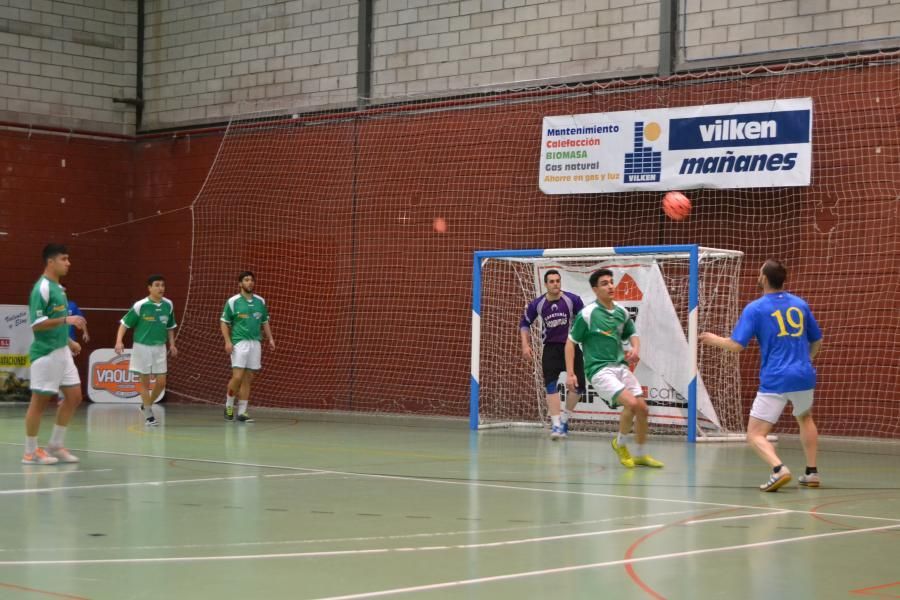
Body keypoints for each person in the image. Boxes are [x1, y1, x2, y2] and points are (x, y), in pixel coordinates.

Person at [700, 259, 823, 492]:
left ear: (764, 278)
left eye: (759, 273)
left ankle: (778, 469)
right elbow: (817, 340)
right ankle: (811, 472)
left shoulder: (756, 308)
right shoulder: (800, 304)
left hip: (776, 377)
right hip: (804, 374)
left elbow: (737, 345)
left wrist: (712, 339)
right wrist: (806, 361)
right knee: (805, 419)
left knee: (755, 434)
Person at [566, 268, 664, 469]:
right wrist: (570, 373)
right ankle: (619, 445)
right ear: (595, 289)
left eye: (611, 282)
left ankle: (639, 454)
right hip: (599, 370)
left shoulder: (621, 312)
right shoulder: (587, 314)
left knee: (643, 409)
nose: (610, 286)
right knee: (632, 404)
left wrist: (635, 348)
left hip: (621, 367)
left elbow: (633, 333)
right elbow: (570, 343)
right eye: (604, 283)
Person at [23, 244, 87, 464]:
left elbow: (55, 321)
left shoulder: (59, 288)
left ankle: (55, 445)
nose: (68, 263)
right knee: (39, 403)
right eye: (64, 259)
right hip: (46, 354)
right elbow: (38, 324)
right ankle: (30, 452)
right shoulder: (42, 288)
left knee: (74, 397)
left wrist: (69, 341)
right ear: (51, 262)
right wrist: (67, 320)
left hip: (62, 352)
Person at [520, 269, 585, 439]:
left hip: (570, 347)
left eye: (558, 280)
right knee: (550, 385)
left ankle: (564, 420)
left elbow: (585, 320)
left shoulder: (573, 300)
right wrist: (525, 345)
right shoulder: (538, 304)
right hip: (550, 349)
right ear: (546, 284)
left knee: (578, 387)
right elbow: (525, 323)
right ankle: (556, 425)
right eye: (552, 281)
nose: (556, 284)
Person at [115, 275, 178, 426]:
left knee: (161, 382)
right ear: (149, 288)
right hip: (142, 347)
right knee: (144, 382)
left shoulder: (168, 305)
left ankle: (146, 404)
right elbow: (124, 324)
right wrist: (119, 341)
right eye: (157, 285)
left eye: (162, 285)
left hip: (160, 348)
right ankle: (149, 415)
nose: (160, 288)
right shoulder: (140, 305)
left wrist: (172, 344)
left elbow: (170, 327)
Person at [220, 271, 274, 423]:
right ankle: (229, 405)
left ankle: (242, 412)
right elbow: (224, 322)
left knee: (248, 378)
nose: (250, 282)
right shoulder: (233, 301)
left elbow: (265, 322)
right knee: (237, 377)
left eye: (251, 280)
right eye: (246, 280)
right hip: (239, 342)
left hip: (255, 343)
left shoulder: (260, 302)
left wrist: (270, 338)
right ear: (240, 283)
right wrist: (227, 341)